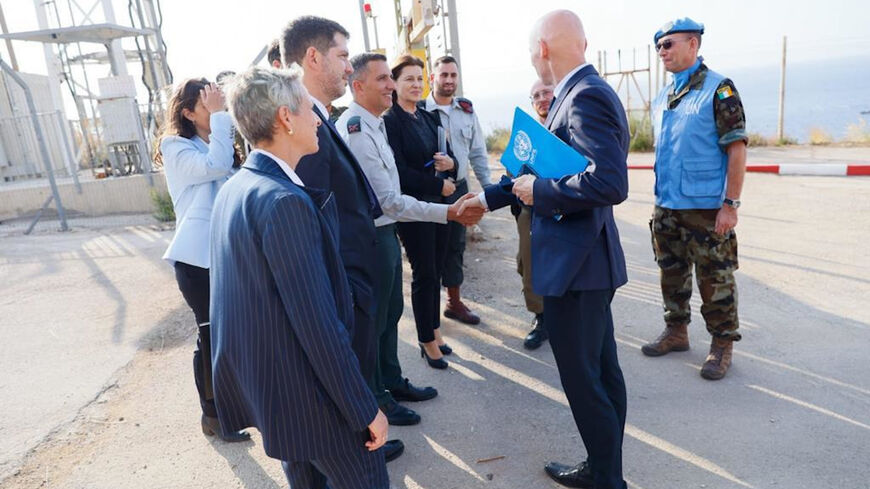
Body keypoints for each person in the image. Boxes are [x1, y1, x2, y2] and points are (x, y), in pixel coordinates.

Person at [460, 10, 629, 489]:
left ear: (543, 50)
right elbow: (534, 167)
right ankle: (604, 467)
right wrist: (488, 197)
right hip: (584, 263)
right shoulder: (580, 92)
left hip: (577, 266)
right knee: (601, 373)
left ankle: (606, 478)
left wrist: (544, 193)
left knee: (586, 380)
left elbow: (610, 182)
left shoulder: (585, 96)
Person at [210, 66, 389, 489]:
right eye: (310, 109)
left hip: (280, 402)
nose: (318, 120)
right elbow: (318, 326)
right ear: (285, 119)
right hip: (317, 406)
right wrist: (365, 408)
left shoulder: (236, 189)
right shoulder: (283, 203)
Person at [279, 16, 403, 462]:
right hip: (344, 285)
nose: (349, 68)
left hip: (354, 280)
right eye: (343, 56)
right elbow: (311, 219)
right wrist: (346, 288)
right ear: (312, 57)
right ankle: (356, 448)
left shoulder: (317, 115)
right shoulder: (300, 123)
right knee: (343, 383)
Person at [337, 53, 484, 426]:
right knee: (377, 320)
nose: (392, 85)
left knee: (390, 314)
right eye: (385, 79)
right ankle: (378, 399)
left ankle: (391, 382)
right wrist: (447, 209)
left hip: (387, 228)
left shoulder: (373, 125)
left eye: (392, 78)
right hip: (375, 232)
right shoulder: (358, 128)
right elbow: (389, 198)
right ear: (358, 86)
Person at [641, 18, 747, 381]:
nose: (662, 52)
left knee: (714, 278)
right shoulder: (662, 96)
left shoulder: (720, 90)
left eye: (668, 44)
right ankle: (676, 331)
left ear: (693, 44)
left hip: (705, 208)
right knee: (671, 273)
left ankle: (721, 344)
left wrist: (730, 205)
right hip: (667, 204)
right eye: (659, 47)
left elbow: (736, 148)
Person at [156, 78, 249, 443]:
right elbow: (215, 165)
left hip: (228, 256)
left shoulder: (221, 142)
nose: (216, 107)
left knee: (232, 338)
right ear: (188, 112)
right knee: (211, 338)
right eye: (207, 103)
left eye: (218, 100)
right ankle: (214, 416)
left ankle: (233, 408)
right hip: (196, 262)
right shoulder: (176, 146)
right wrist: (223, 117)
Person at [383, 54, 458, 370]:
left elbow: (450, 155)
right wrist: (435, 183)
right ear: (395, 84)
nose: (415, 84)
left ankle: (436, 330)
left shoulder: (430, 118)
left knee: (437, 270)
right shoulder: (390, 121)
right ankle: (426, 340)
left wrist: (450, 167)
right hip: (413, 208)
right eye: (408, 79)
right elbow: (397, 171)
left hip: (440, 205)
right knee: (424, 271)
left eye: (419, 78)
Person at [424, 56, 492, 325]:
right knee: (428, 248)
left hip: (459, 188)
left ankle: (453, 302)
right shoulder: (418, 111)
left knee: (455, 246)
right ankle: (428, 311)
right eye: (444, 75)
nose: (449, 80)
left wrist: (490, 192)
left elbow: (478, 154)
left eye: (453, 75)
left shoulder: (466, 110)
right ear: (433, 78)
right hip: (429, 190)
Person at [516, 79, 554, 350]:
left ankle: (563, 319)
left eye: (546, 92)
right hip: (529, 212)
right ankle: (541, 319)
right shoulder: (527, 134)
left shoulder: (569, 125)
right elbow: (513, 169)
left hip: (563, 209)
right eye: (536, 96)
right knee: (527, 264)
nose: (542, 99)